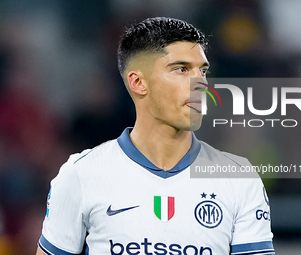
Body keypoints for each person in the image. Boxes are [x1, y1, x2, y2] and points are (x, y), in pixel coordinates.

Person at [36, 17, 274, 255]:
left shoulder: (238, 179)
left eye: (202, 71)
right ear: (138, 82)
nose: (201, 84)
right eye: (181, 69)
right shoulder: (80, 174)